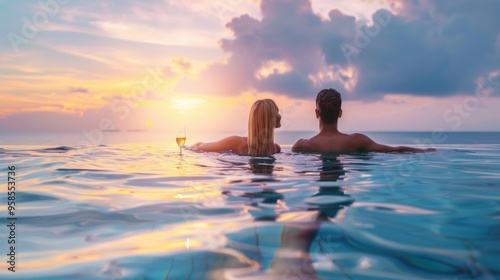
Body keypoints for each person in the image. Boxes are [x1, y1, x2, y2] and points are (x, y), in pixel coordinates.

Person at [292, 88, 436, 153]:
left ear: (317, 113)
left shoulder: (301, 146)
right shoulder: (358, 141)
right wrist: (424, 151)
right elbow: (394, 150)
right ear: (340, 113)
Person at [190, 99, 281, 156]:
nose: (279, 116)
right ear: (268, 118)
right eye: (276, 112)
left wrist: (193, 145)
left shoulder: (236, 142)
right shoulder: (275, 149)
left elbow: (198, 147)